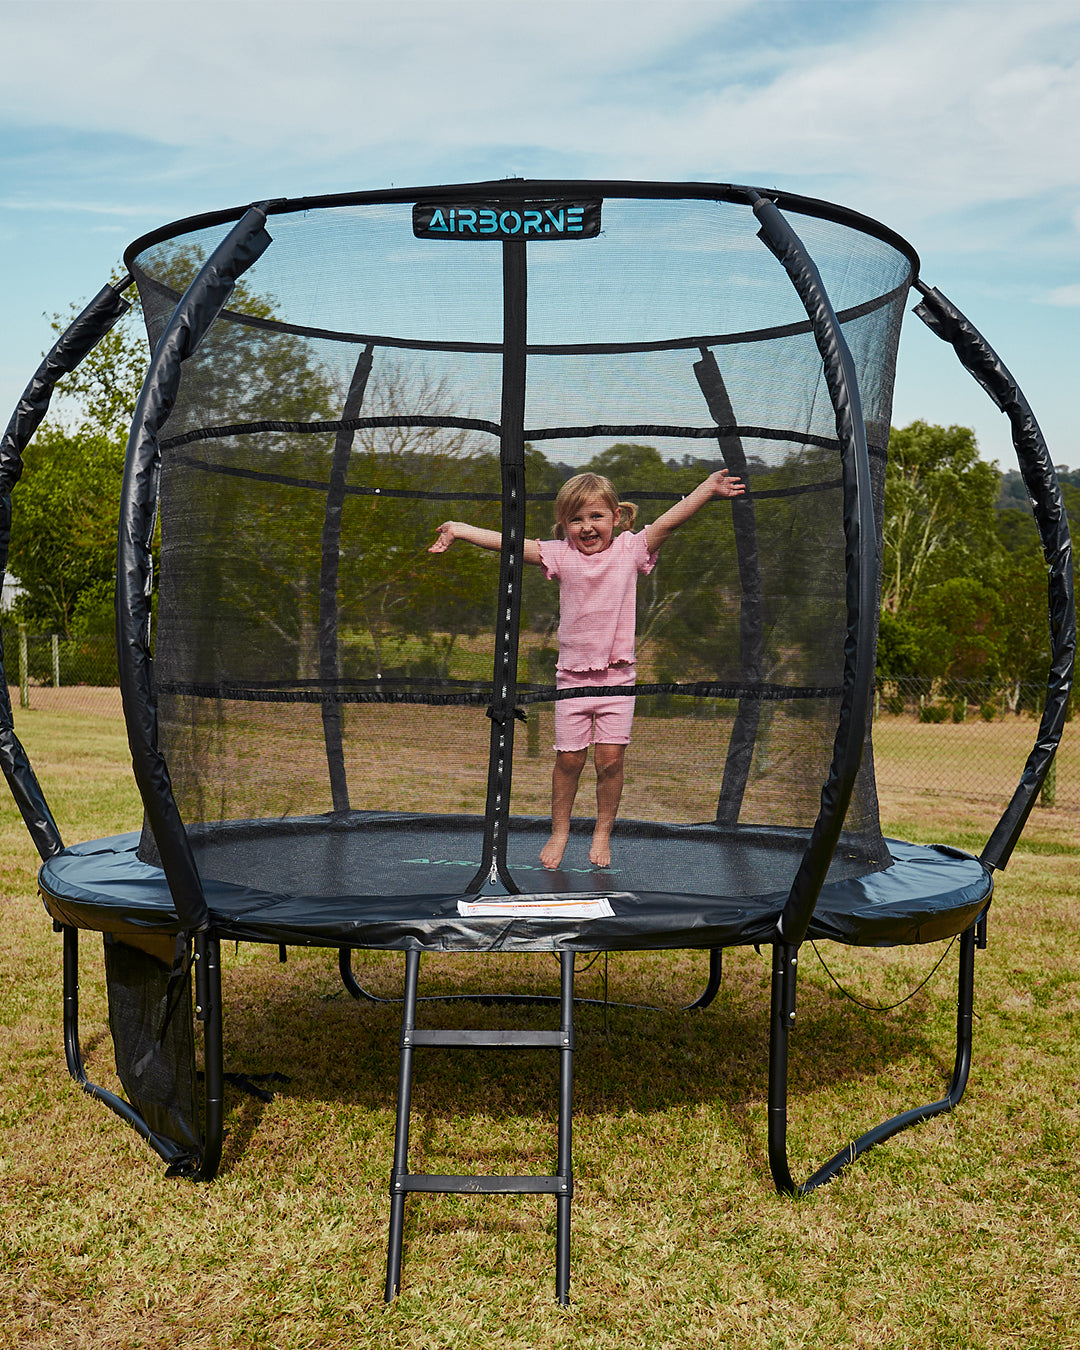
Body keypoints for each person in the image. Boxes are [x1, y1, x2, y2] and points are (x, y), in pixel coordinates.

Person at [429, 468, 745, 869]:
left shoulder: (630, 549)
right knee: (569, 761)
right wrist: (459, 529)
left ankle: (602, 831)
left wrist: (708, 489)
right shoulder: (561, 554)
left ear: (616, 516)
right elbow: (510, 544)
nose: (587, 526)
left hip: (618, 679)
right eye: (576, 519)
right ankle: (560, 830)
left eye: (596, 516)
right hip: (572, 679)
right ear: (564, 525)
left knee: (609, 761)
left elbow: (670, 521)